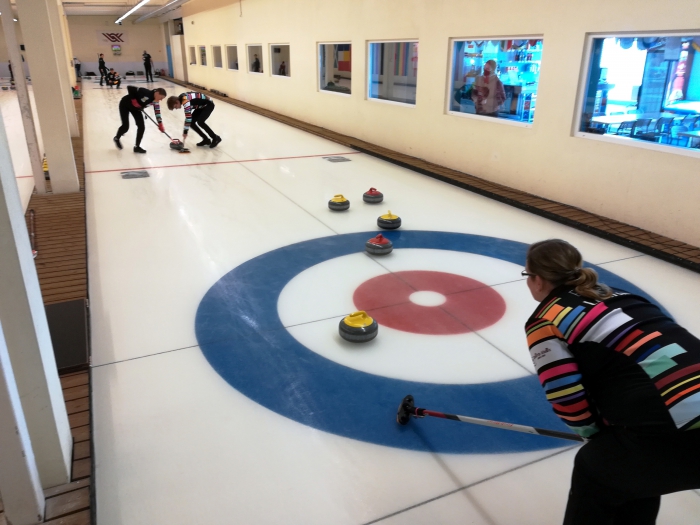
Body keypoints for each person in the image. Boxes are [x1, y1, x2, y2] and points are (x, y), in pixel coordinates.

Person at [523, 239, 700, 525]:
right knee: (631, 472)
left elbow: (566, 396)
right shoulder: (622, 295)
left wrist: (595, 435)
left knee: (595, 469)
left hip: (683, 424)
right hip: (682, 413)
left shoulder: (546, 320)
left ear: (538, 280)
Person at [113, 86, 167, 153]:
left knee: (141, 127)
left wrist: (160, 124)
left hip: (136, 109)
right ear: (157, 93)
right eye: (161, 98)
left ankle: (137, 147)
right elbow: (130, 87)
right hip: (125, 104)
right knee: (125, 127)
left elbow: (157, 112)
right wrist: (133, 99)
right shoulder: (145, 92)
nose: (161, 100)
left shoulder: (155, 101)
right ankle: (116, 138)